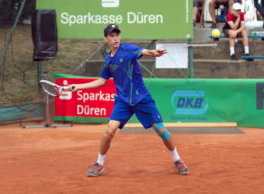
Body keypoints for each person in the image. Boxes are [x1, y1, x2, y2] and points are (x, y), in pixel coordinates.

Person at [67, 24, 189, 177]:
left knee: (161, 131)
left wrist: (154, 53)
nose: (115, 38)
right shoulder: (108, 60)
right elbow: (102, 81)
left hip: (141, 98)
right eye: (111, 35)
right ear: (106, 38)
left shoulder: (129, 49)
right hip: (123, 101)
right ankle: (99, 163)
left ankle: (177, 160)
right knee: (109, 130)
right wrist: (77, 87)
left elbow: (145, 51)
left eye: (117, 34)